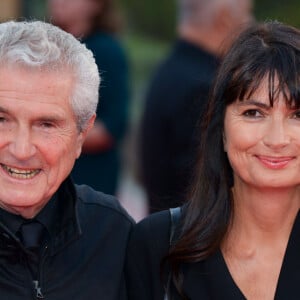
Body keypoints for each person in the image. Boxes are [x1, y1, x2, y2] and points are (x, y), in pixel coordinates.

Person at [126, 21, 300, 299]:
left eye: (297, 115)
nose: (277, 139)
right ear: (221, 130)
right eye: (254, 113)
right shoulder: (158, 245)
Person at [0, 20, 133, 299]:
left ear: (82, 135)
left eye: (46, 124)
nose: (22, 150)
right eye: (1, 119)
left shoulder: (114, 233)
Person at [139, 0, 254, 213]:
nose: (251, 24)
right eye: (247, 15)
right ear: (225, 18)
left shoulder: (171, 72)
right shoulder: (205, 87)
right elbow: (209, 183)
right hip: (193, 236)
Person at [48, 0, 130, 195]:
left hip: (88, 182)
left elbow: (112, 127)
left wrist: (50, 136)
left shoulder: (106, 50)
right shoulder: (45, 47)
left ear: (96, 5)